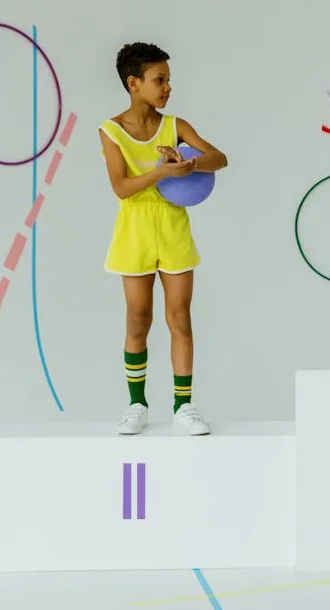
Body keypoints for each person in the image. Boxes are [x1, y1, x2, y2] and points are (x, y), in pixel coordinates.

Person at [97, 42, 228, 436]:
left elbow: (219, 158)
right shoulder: (110, 130)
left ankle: (183, 406)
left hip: (172, 227)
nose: (167, 87)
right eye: (160, 79)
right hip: (134, 230)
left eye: (168, 79)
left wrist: (189, 164)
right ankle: (136, 403)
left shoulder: (176, 126)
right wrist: (161, 172)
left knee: (179, 317)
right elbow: (121, 187)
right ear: (134, 83)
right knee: (138, 317)